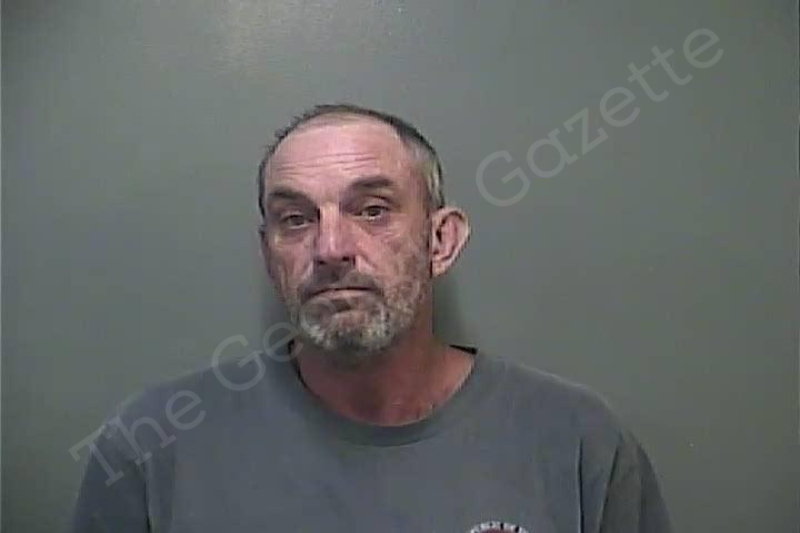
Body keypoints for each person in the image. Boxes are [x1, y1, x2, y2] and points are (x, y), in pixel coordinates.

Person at [70, 103, 673, 532]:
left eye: (373, 210)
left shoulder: (577, 443)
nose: (331, 248)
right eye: (296, 219)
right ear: (269, 256)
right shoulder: (154, 446)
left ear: (441, 241)